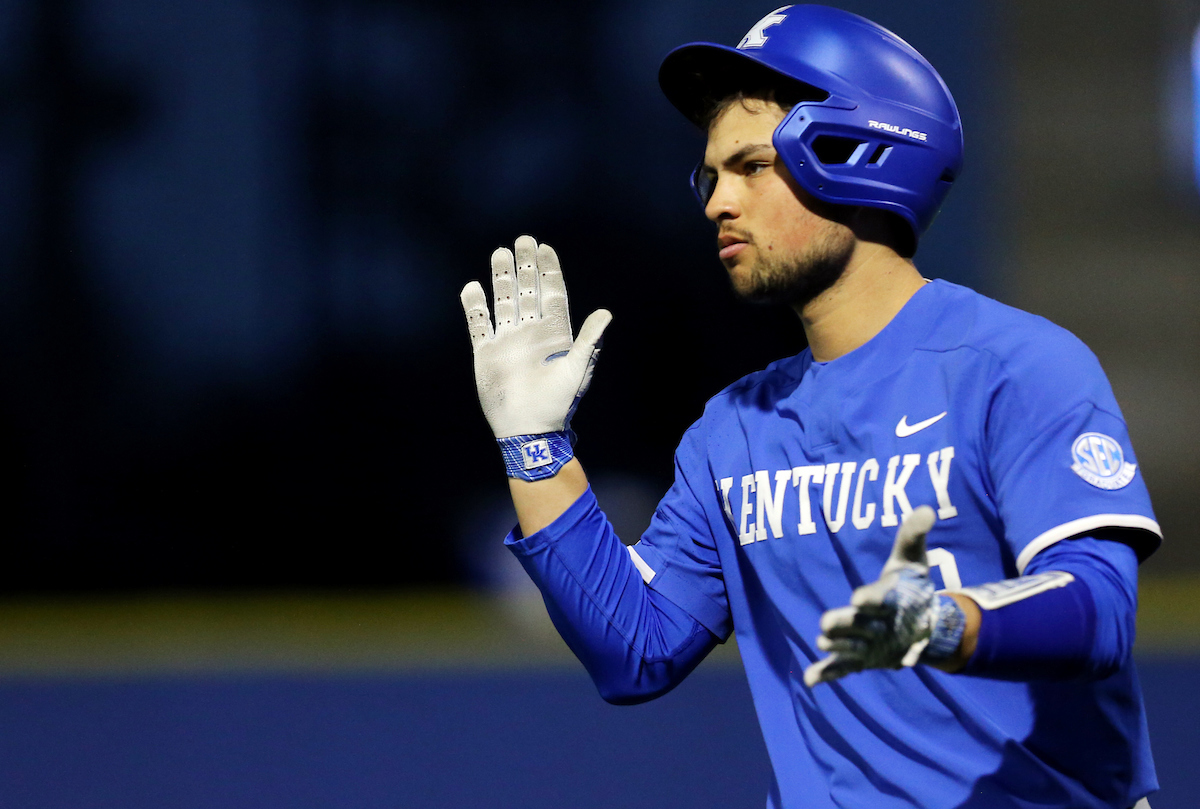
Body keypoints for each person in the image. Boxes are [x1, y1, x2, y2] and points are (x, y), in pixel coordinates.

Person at [459, 6, 1161, 808]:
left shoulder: (1011, 366)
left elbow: (1099, 607)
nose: (718, 201)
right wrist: (535, 444)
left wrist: (945, 620)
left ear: (856, 153)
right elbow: (635, 651)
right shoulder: (734, 430)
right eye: (712, 175)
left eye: (753, 166)